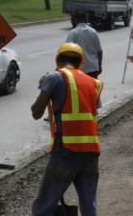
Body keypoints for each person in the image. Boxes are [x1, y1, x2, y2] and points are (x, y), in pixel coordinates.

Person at [31, 43, 103, 216]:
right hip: (91, 152)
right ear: (80, 62)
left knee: (44, 205)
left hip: (66, 151)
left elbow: (36, 112)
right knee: (88, 206)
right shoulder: (94, 83)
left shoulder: (55, 77)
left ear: (58, 60)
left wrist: (44, 88)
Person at [66, 12, 103, 79]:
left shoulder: (73, 33)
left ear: (75, 20)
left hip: (78, 70)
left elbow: (67, 51)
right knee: (92, 89)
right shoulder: (93, 32)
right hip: (93, 68)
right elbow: (99, 51)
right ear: (86, 19)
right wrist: (99, 66)